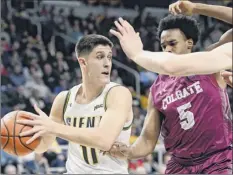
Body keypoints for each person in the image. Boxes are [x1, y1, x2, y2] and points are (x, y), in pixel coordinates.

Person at [108, 13, 232, 174]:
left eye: (172, 43)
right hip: (180, 164)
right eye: (163, 45)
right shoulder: (157, 89)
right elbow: (147, 139)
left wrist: (197, 7)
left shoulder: (210, 63)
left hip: (218, 159)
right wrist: (128, 151)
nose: (167, 49)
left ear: (189, 43)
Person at [17, 34, 133, 174]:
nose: (107, 63)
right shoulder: (64, 99)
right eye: (100, 57)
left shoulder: (118, 94)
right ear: (83, 63)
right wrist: (25, 137)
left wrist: (54, 127)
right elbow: (42, 146)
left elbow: (104, 140)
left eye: (109, 57)